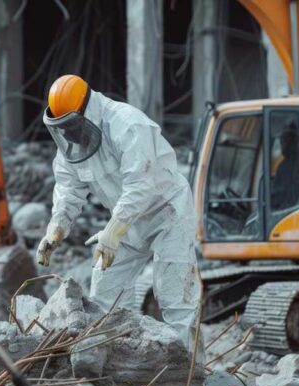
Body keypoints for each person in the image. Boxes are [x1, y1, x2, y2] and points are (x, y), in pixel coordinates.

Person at [36, 74, 201, 353]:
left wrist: (112, 232)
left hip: (168, 213)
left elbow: (141, 184)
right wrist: (55, 230)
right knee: (105, 294)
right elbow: (68, 190)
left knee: (175, 298)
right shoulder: (72, 145)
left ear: (87, 111)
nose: (68, 133)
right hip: (127, 221)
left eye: (71, 125)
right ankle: (119, 368)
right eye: (62, 127)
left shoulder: (126, 124)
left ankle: (189, 381)